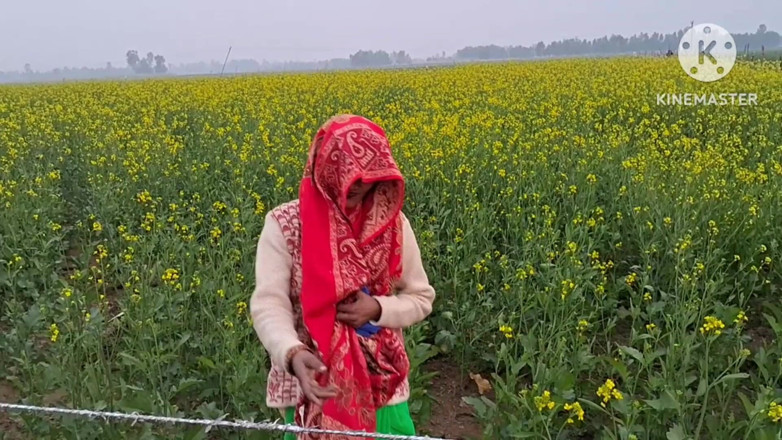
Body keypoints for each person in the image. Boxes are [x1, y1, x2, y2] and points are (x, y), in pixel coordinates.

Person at [250, 114, 436, 439]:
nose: (360, 182)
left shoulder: (393, 225)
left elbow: (420, 299)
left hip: (383, 389)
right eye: (349, 172)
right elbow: (269, 305)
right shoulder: (286, 225)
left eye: (369, 175)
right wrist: (292, 352)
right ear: (324, 167)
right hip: (313, 384)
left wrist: (377, 309)